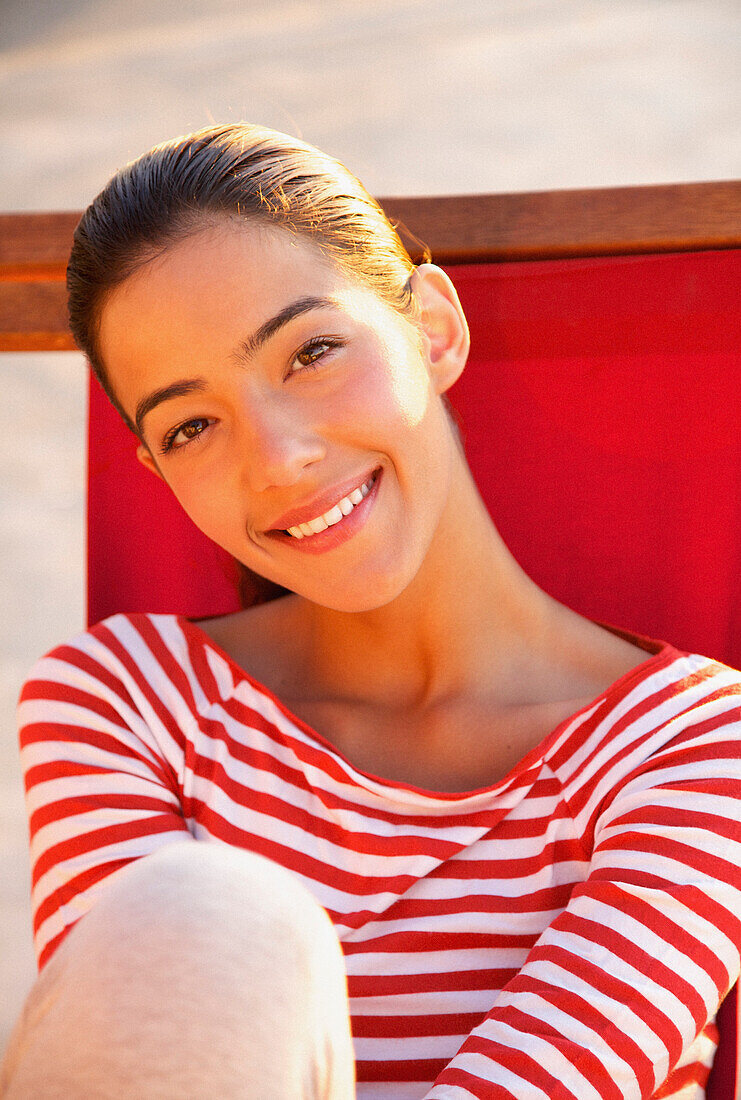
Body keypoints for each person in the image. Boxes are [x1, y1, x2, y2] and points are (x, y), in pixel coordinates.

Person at [2, 123, 741, 1100]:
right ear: (158, 471)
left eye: (310, 350)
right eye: (191, 425)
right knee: (197, 914)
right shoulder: (121, 703)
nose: (276, 457)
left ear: (432, 328)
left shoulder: (700, 740)